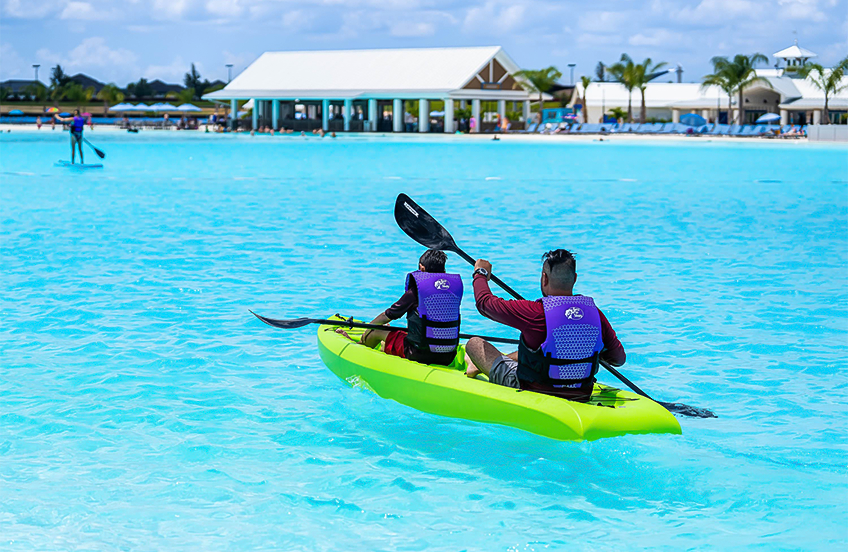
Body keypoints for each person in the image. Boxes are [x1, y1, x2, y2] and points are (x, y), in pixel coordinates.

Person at [465, 249, 625, 402]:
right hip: (581, 394)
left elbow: (485, 304)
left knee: (474, 344)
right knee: (534, 350)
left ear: (544, 278)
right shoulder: (596, 314)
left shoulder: (534, 312)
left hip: (531, 390)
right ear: (574, 279)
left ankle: (477, 365)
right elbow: (618, 359)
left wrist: (481, 274)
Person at [336, 249, 463, 366]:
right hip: (448, 355)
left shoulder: (416, 292)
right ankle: (384, 346)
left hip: (418, 354)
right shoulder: (453, 291)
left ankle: (359, 347)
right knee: (396, 335)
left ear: (422, 269)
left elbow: (388, 316)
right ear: (444, 271)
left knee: (378, 330)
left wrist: (368, 329)